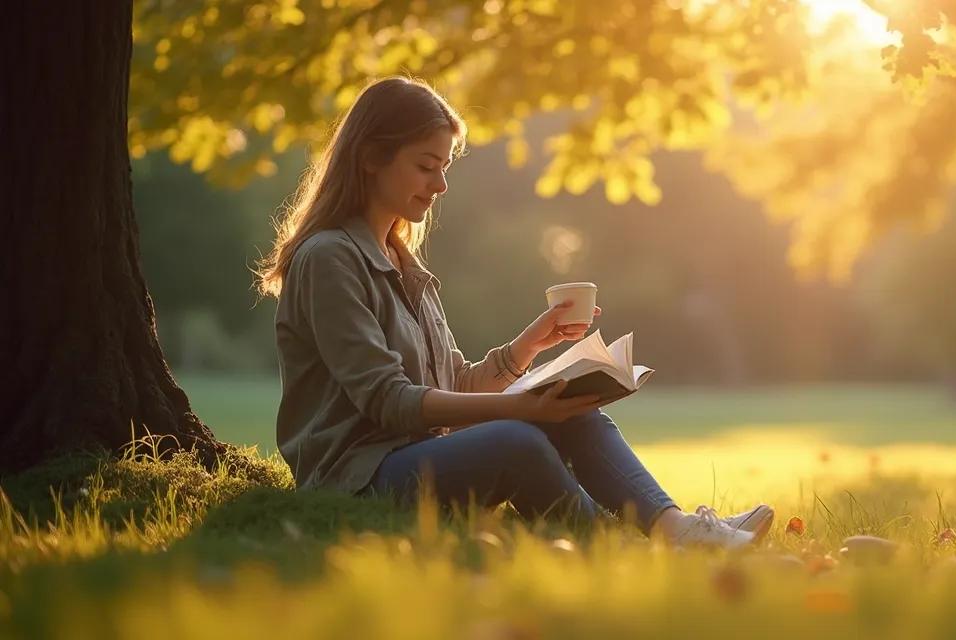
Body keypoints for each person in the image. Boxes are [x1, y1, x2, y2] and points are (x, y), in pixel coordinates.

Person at [255, 77, 771, 548]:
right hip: (357, 479)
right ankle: (623, 548)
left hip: (417, 457)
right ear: (371, 157)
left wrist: (530, 346)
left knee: (576, 410)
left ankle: (675, 529)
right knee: (516, 439)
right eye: (425, 166)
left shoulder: (402, 261)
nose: (440, 186)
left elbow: (453, 380)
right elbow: (388, 401)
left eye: (445, 168)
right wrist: (518, 409)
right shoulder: (329, 258)